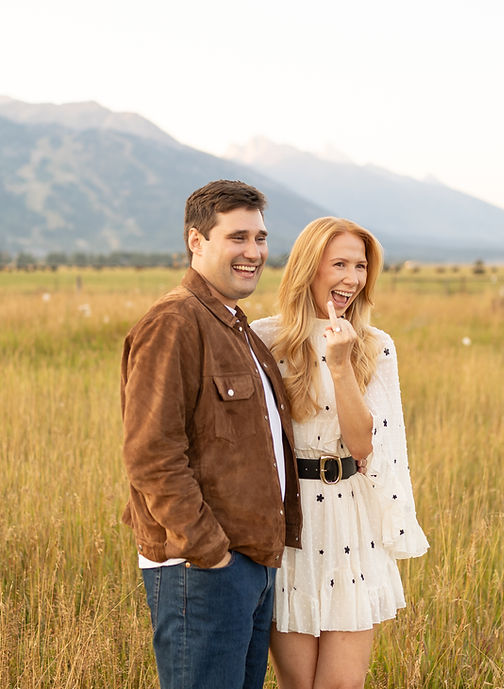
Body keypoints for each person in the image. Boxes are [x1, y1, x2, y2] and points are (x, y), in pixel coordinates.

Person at [120, 179, 302, 689]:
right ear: (196, 242)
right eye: (237, 237)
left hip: (248, 565)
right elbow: (150, 453)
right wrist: (211, 552)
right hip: (201, 570)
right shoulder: (175, 322)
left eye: (261, 238)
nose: (254, 252)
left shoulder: (233, 323)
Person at [251, 217, 429, 689]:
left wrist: (341, 363)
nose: (352, 278)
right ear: (310, 268)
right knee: (296, 684)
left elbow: (364, 444)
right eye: (340, 264)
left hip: (352, 522)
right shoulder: (264, 339)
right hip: (290, 523)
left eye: (361, 266)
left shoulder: (375, 346)